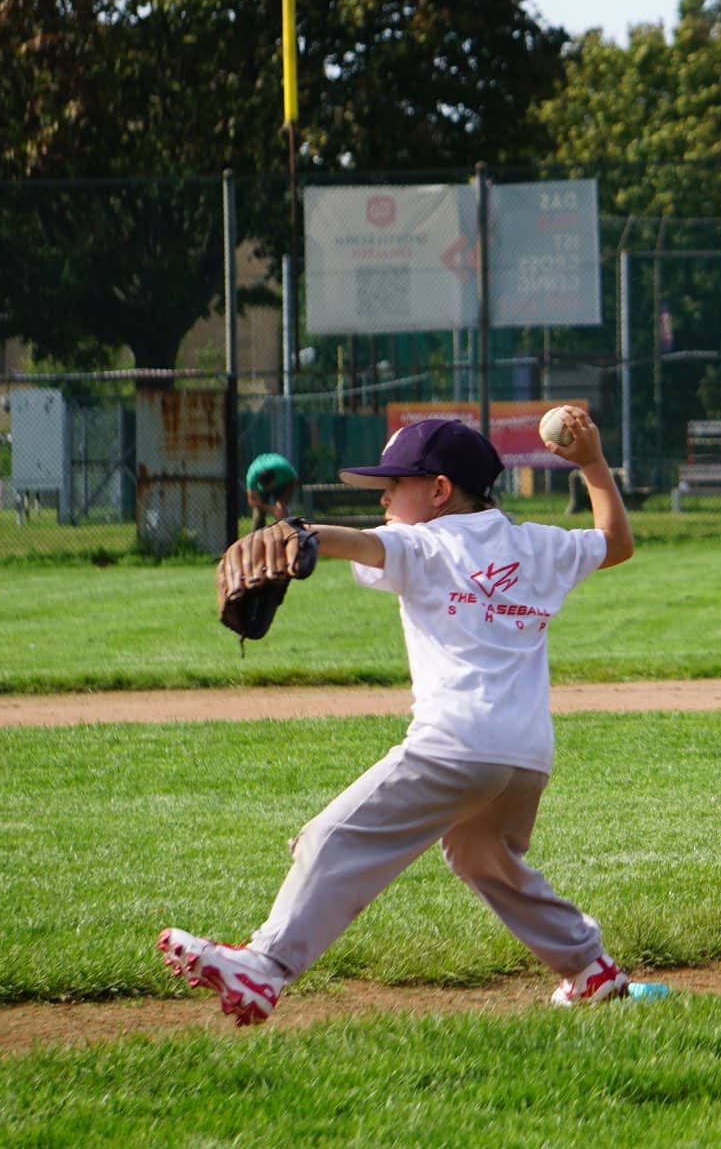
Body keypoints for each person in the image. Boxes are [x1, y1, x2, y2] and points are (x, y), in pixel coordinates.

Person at [159, 411, 660, 1024]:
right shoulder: (537, 544)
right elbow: (617, 542)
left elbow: (368, 542)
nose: (386, 497)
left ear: (440, 491)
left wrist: (306, 533)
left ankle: (263, 969)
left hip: (454, 747)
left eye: (395, 485)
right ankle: (590, 972)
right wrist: (591, 465)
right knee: (482, 856)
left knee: (333, 840)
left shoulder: (426, 543)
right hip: (525, 757)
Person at [244, 451, 299, 530]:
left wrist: (283, 501)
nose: (268, 489)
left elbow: (294, 480)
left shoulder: (283, 468)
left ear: (274, 480)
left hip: (283, 484)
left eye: (269, 486)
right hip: (261, 490)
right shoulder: (252, 475)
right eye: (265, 487)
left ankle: (286, 530)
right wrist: (271, 509)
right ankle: (256, 534)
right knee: (258, 514)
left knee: (282, 509)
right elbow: (251, 501)